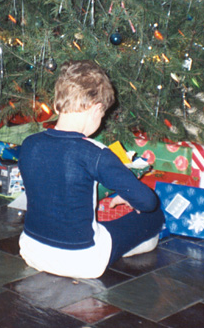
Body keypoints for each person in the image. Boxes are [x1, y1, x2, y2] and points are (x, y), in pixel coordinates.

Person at [18, 60, 164, 279]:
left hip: (31, 250)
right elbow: (147, 201)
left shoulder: (29, 144)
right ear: (97, 109)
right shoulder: (95, 153)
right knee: (154, 216)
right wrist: (130, 197)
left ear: (57, 105)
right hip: (82, 261)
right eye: (103, 115)